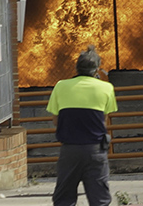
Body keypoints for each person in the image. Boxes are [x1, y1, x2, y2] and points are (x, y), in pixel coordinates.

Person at [47, 45, 118, 206]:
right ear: (97, 70)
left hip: (69, 150)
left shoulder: (60, 86)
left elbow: (55, 120)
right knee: (99, 198)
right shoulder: (106, 88)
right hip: (95, 149)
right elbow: (104, 119)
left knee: (64, 198)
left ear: (76, 68)